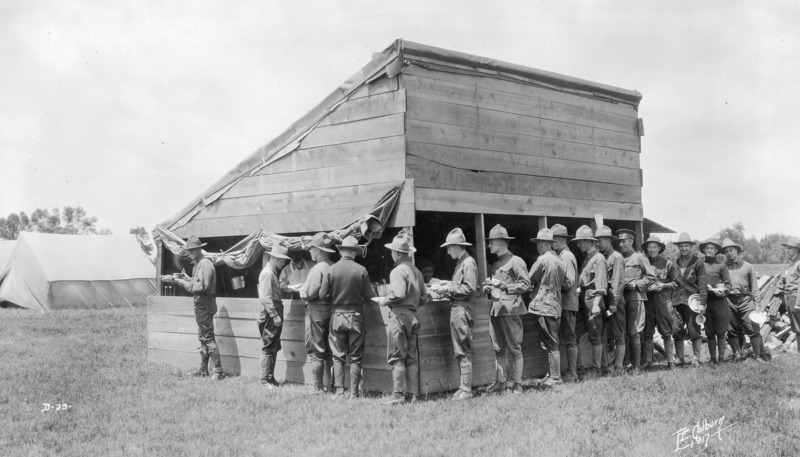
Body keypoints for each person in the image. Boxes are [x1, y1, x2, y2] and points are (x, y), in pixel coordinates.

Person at [374, 233, 428, 405]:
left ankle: (398, 395)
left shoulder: (397, 271)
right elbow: (425, 297)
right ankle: (413, 395)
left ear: (396, 253)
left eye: (392, 252)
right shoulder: (417, 271)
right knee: (411, 357)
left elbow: (398, 293)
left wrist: (384, 300)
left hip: (399, 317)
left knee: (397, 356)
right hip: (413, 317)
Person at [319, 236, 375, 399]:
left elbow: (322, 295)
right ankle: (354, 393)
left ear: (342, 251)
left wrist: (334, 298)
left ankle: (339, 391)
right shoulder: (361, 270)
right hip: (356, 316)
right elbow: (369, 295)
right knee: (356, 357)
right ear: (354, 252)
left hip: (337, 316)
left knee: (338, 356)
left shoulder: (331, 270)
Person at [483, 224, 530, 394]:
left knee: (515, 348)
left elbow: (526, 284)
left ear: (501, 242)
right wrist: (489, 289)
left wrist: (505, 286)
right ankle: (500, 382)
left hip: (511, 310)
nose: (489, 246)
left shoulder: (516, 261)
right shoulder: (495, 264)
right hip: (496, 310)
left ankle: (518, 383)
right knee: (498, 348)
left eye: (491, 242)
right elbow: (496, 288)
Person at [168, 235, 223, 380]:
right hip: (201, 305)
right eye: (189, 250)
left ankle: (218, 372)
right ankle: (204, 370)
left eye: (193, 250)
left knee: (208, 338)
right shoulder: (198, 264)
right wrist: (188, 279)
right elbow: (198, 283)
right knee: (202, 338)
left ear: (199, 249)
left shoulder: (204, 264)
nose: (190, 252)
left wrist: (181, 283)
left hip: (204, 304)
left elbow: (201, 287)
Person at [438, 228, 478, 399]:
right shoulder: (461, 263)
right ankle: (463, 387)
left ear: (457, 247)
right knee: (460, 348)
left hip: (462, 309)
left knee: (463, 347)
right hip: (457, 308)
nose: (447, 252)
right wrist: (447, 287)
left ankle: (467, 389)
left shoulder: (468, 263)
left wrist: (449, 288)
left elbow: (470, 288)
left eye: (449, 248)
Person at [527, 228, 567, 388]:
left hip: (543, 304)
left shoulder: (542, 260)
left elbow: (529, 280)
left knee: (550, 343)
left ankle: (556, 378)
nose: (537, 247)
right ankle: (551, 374)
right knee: (551, 341)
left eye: (538, 244)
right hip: (555, 304)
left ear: (544, 244)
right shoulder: (560, 261)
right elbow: (566, 282)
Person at [299, 232, 337, 392]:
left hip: (317, 313)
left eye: (312, 249)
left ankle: (317, 388)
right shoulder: (334, 266)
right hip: (333, 312)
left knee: (316, 351)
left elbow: (308, 293)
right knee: (330, 351)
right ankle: (331, 386)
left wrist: (301, 290)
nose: (310, 252)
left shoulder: (318, 269)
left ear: (319, 250)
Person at [617, 229, 655, 373]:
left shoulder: (639, 257)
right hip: (621, 297)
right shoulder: (619, 257)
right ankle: (626, 363)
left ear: (631, 241)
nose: (621, 244)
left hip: (635, 297)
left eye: (624, 241)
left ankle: (637, 365)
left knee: (634, 331)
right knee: (624, 332)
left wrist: (637, 284)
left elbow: (651, 277)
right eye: (620, 241)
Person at [573, 225, 607, 377]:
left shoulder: (599, 259)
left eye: (580, 241)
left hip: (593, 301)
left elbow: (601, 284)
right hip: (583, 300)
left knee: (595, 336)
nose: (578, 244)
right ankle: (579, 368)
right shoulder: (587, 258)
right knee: (576, 333)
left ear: (588, 241)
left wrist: (595, 305)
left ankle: (597, 369)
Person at [722, 238, 764, 362]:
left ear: (737, 251)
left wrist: (757, 304)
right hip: (729, 300)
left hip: (745, 300)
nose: (729, 253)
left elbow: (754, 286)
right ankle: (737, 355)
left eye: (731, 250)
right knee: (732, 329)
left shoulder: (748, 266)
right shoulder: (723, 267)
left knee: (752, 328)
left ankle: (757, 356)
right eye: (726, 251)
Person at [642, 235, 679, 369]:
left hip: (663, 301)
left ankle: (670, 361)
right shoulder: (643, 263)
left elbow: (676, 283)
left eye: (654, 247)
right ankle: (647, 361)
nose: (651, 250)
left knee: (666, 332)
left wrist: (663, 286)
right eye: (649, 247)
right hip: (648, 301)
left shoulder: (667, 264)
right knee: (647, 332)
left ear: (659, 248)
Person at [671, 232, 708, 367]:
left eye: (686, 246)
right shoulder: (674, 262)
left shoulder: (698, 262)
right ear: (679, 247)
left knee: (694, 330)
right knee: (676, 330)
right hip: (677, 301)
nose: (684, 248)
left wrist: (702, 303)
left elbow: (703, 285)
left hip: (692, 302)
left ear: (691, 247)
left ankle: (695, 357)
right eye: (682, 246)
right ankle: (680, 357)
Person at [257, 242, 291, 387]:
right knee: (269, 346)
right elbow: (265, 298)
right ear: (276, 258)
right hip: (270, 315)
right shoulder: (268, 274)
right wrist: (275, 315)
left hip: (274, 312)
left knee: (274, 346)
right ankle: (264, 380)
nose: (284, 263)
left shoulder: (272, 273)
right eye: (283, 260)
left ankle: (270, 377)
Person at [595, 225, 626, 375]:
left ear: (608, 241)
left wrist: (614, 303)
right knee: (605, 335)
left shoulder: (616, 257)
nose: (597, 244)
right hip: (605, 300)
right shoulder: (602, 257)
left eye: (600, 241)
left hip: (615, 301)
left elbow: (618, 282)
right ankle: (606, 366)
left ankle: (619, 367)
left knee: (618, 334)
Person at [552, 224, 579, 382]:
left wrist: (553, 288)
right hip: (565, 303)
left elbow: (568, 282)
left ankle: (572, 372)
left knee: (569, 338)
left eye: (553, 240)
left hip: (567, 303)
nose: (552, 244)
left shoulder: (566, 256)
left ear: (561, 239)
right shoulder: (563, 255)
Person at [699, 238, 731, 364]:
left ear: (716, 250)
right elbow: (696, 281)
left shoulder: (722, 265)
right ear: (704, 250)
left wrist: (724, 292)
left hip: (720, 302)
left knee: (721, 332)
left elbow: (728, 284)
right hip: (707, 302)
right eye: (707, 248)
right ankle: (712, 358)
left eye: (712, 248)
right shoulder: (700, 264)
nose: (709, 250)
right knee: (710, 332)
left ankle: (721, 358)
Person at [775, 238, 800, 355]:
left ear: (797, 250)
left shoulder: (799, 263)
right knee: (796, 326)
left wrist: (799, 302)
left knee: (799, 325)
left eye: (790, 248)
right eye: (787, 249)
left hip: (796, 296)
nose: (787, 251)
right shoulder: (791, 264)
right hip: (789, 296)